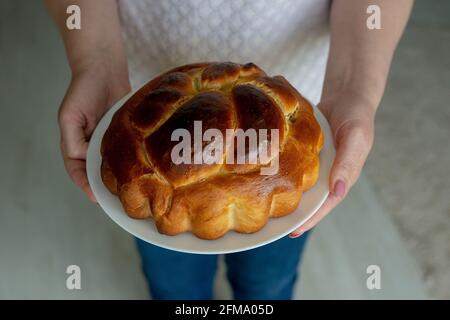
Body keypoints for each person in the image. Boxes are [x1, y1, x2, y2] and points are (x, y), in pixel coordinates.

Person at [46, 0, 413, 299]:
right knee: (174, 287)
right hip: (141, 88)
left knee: (268, 284)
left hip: (295, 107)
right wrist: (95, 61)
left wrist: (354, 89)